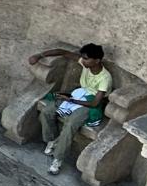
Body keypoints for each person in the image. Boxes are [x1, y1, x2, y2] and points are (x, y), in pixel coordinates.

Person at [28, 43, 115, 174]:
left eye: (86, 58)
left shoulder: (105, 78)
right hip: (77, 94)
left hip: (89, 103)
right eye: (83, 57)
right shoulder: (86, 64)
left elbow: (95, 103)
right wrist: (39, 56)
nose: (83, 60)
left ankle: (58, 159)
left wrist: (71, 100)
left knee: (70, 124)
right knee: (47, 111)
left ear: (97, 60)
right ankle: (52, 141)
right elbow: (62, 51)